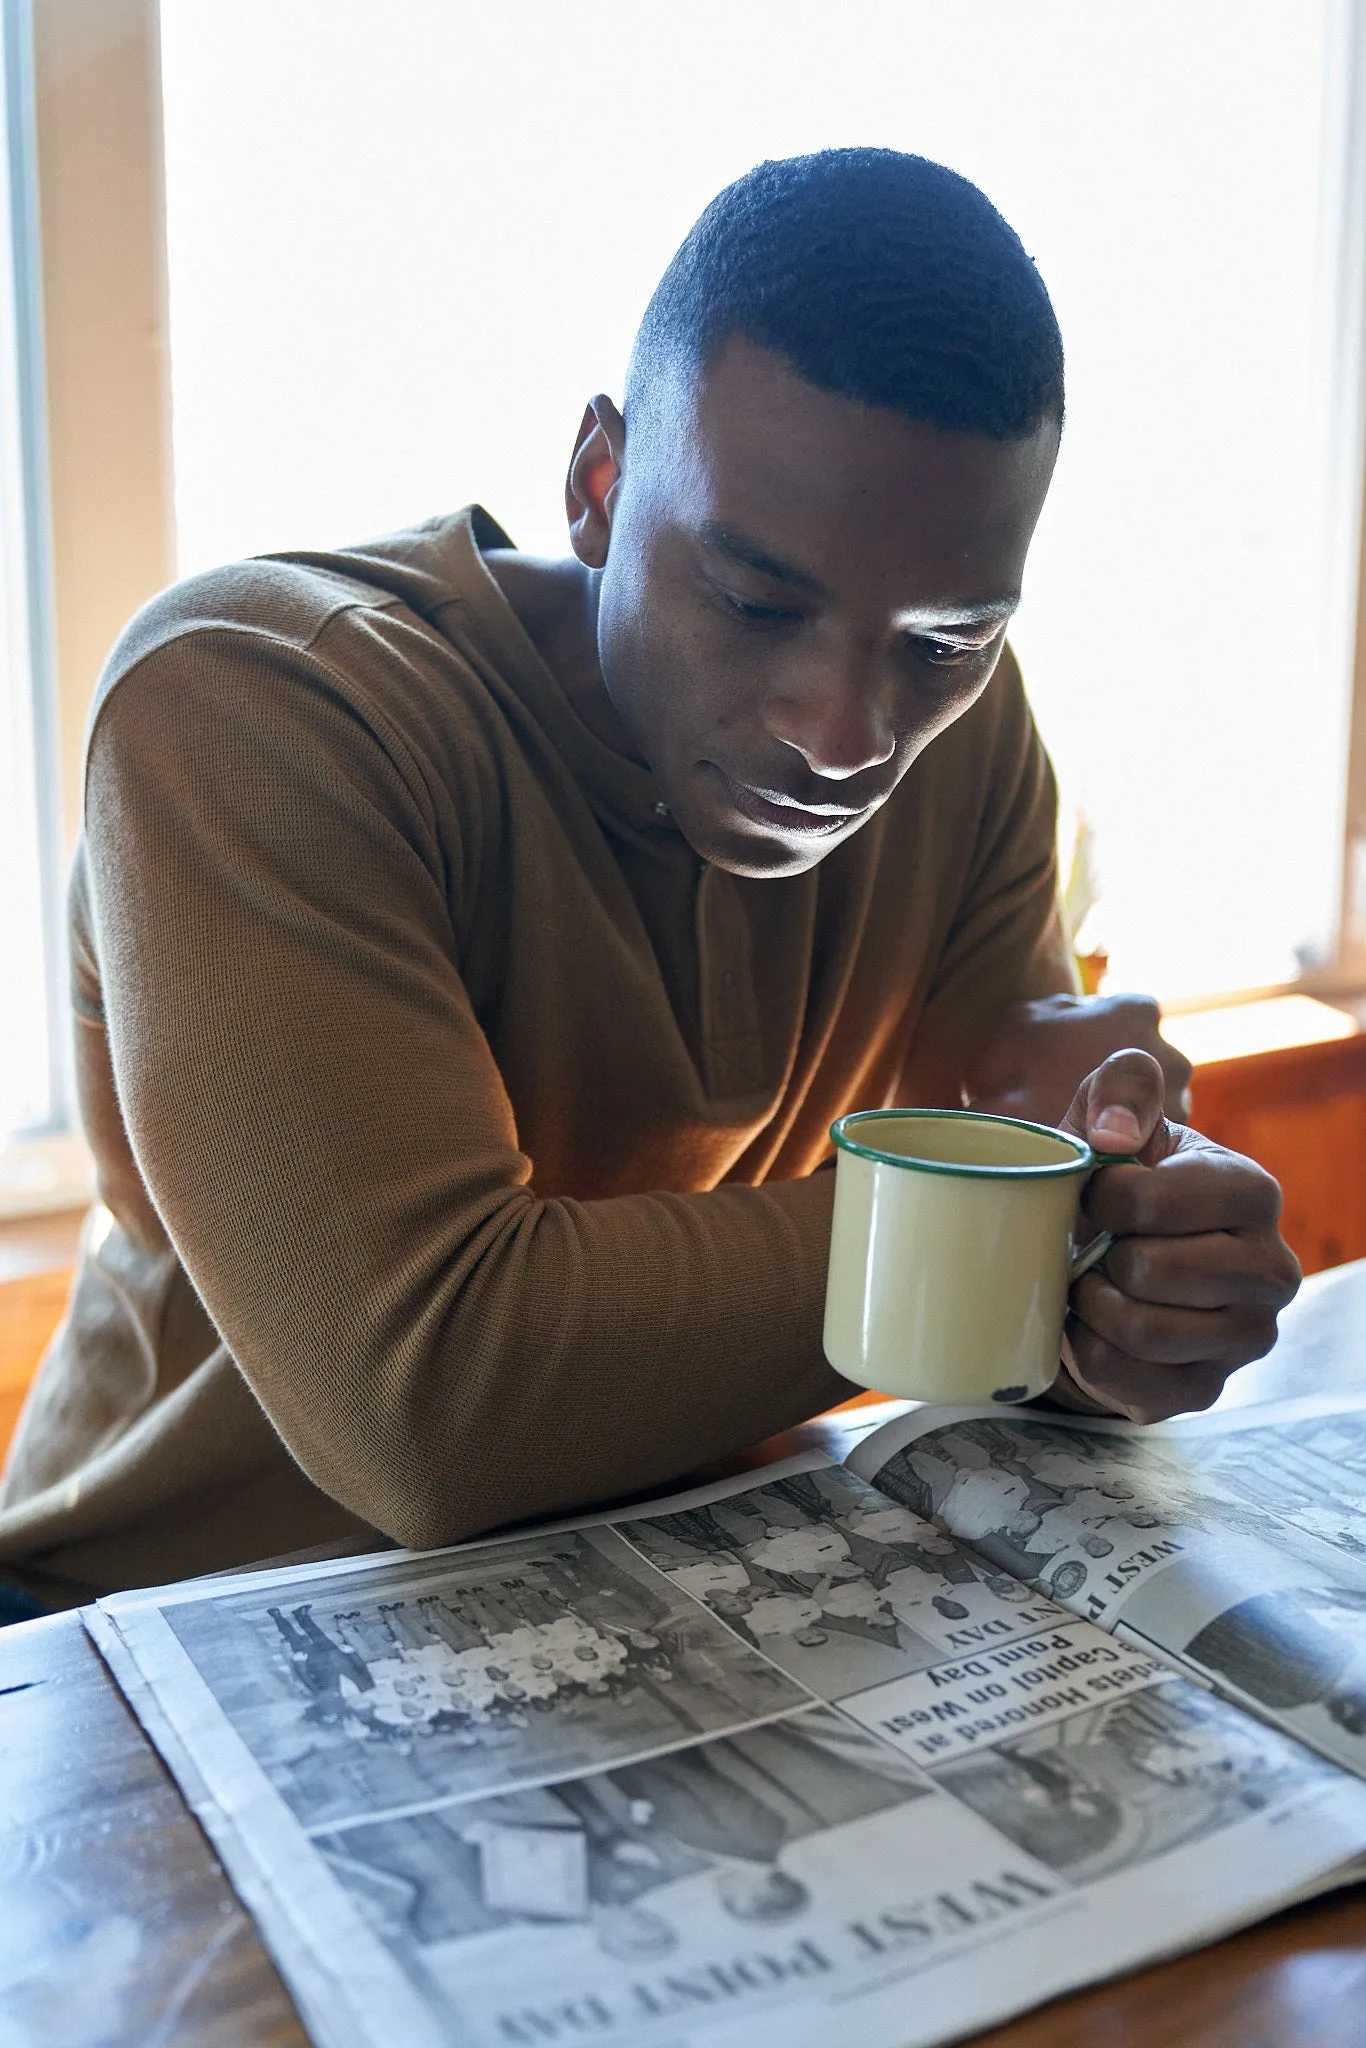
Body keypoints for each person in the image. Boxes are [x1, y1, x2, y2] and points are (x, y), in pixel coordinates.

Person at [0, 148, 1299, 1613]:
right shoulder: (257, 706)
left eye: (944, 640)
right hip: (152, 1625)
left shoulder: (971, 737)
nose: (843, 732)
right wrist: (998, 1222)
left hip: (690, 1569)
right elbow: (429, 1412)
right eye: (756, 600)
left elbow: (995, 1314)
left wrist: (1132, 1291)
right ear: (600, 484)